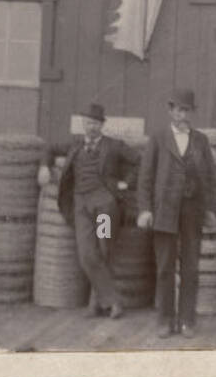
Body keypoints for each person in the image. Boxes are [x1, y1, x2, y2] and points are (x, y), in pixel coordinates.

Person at [38, 103, 140, 318]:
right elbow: (49, 148)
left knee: (104, 251)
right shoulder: (75, 145)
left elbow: (139, 161)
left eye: (95, 123)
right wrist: (45, 167)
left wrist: (126, 183)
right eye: (87, 122)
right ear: (83, 124)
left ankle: (96, 304)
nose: (91, 127)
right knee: (86, 255)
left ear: (102, 125)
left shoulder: (113, 146)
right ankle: (112, 300)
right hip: (81, 206)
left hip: (104, 206)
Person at [137, 89, 216, 338]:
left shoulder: (200, 140)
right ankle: (165, 320)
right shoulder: (159, 138)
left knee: (191, 268)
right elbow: (146, 177)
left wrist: (211, 209)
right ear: (170, 110)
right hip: (164, 211)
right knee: (164, 268)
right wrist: (145, 209)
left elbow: (210, 178)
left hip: (192, 211)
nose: (182, 115)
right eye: (178, 110)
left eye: (186, 110)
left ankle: (187, 320)